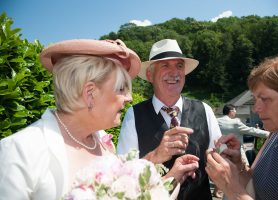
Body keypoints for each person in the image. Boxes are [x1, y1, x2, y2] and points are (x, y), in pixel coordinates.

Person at [0, 39, 200, 199]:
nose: (129, 98)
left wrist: (167, 173)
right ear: (90, 93)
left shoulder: (103, 143)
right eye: (121, 89)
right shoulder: (18, 151)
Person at [117, 39, 222, 199]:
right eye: (165, 65)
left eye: (179, 66)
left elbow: (219, 165)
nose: (174, 72)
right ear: (149, 75)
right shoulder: (133, 115)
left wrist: (226, 160)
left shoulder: (205, 110)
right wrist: (156, 155)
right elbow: (123, 175)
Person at [206, 53, 278, 200]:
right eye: (256, 99)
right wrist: (238, 165)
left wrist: (232, 189)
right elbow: (253, 184)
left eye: (265, 99)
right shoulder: (274, 136)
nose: (256, 108)